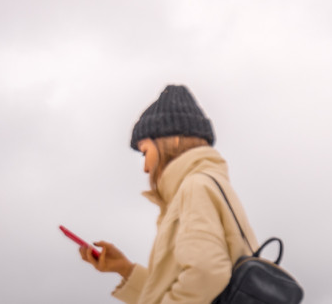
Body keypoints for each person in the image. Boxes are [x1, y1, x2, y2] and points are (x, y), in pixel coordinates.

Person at [79, 85, 258, 304]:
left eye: (145, 152)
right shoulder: (210, 184)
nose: (145, 167)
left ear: (174, 139)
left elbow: (206, 274)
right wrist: (125, 270)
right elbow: (204, 290)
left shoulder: (195, 187)